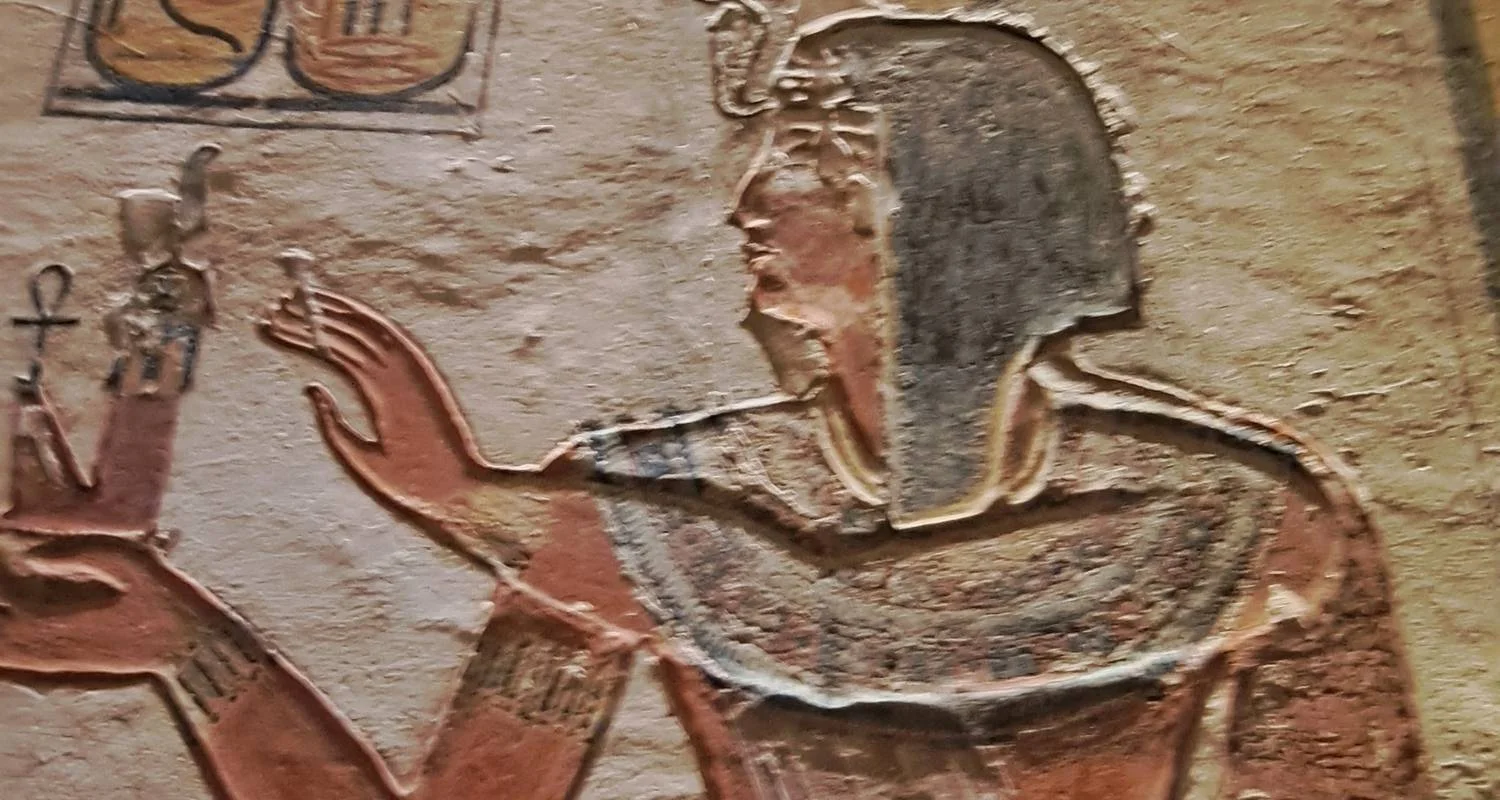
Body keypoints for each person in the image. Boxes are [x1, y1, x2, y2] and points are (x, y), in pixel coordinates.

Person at [254, 9, 1428, 799]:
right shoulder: (652, 493)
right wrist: (188, 642)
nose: (749, 202)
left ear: (952, 210)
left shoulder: (1237, 511)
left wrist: (475, 503)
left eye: (813, 154)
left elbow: (849, 617)